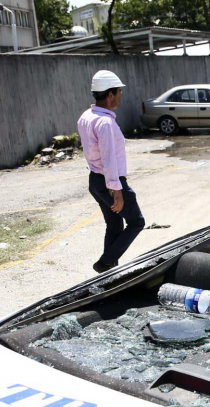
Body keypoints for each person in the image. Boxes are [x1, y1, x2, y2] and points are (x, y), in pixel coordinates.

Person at [77, 70, 145, 273]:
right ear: (109, 94)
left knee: (114, 224)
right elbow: (109, 159)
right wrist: (117, 191)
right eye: (118, 92)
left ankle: (108, 271)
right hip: (110, 183)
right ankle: (106, 262)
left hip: (95, 180)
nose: (120, 97)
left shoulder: (87, 116)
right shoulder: (105, 122)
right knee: (136, 222)